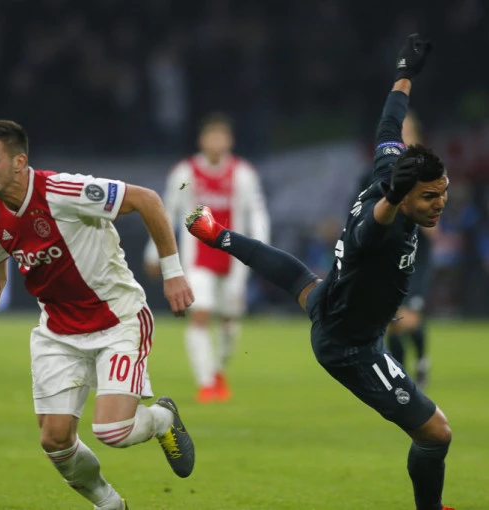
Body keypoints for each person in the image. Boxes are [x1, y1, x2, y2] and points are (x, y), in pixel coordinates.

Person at [185, 34, 453, 509]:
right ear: (404, 196)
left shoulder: (387, 168)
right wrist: (393, 201)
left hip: (333, 302)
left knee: (301, 282)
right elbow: (370, 231)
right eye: (430, 197)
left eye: (444, 192)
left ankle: (218, 234)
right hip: (352, 347)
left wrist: (404, 74)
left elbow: (389, 122)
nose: (440, 204)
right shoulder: (385, 227)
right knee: (436, 433)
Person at [0, 120, 196, 510]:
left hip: (117, 320)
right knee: (55, 440)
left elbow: (147, 199)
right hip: (58, 332)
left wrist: (173, 274)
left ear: (19, 162)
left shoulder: (63, 191)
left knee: (112, 430)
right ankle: (109, 504)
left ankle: (162, 419)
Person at [144, 113, 270, 403]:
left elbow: (257, 212)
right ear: (202, 141)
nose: (216, 142)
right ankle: (206, 383)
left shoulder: (243, 173)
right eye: (211, 136)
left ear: (230, 141)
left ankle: (217, 371)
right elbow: (167, 213)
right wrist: (154, 252)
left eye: (221, 137)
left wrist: (262, 249)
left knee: (229, 321)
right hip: (197, 257)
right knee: (200, 314)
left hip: (234, 258)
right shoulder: (185, 173)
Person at [355, 110, 437, 387]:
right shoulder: (374, 171)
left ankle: (421, 360)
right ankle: (402, 377)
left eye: (407, 130)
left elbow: (435, 223)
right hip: (386, 254)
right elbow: (359, 210)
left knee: (408, 318)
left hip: (416, 255)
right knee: (391, 319)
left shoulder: (428, 171)